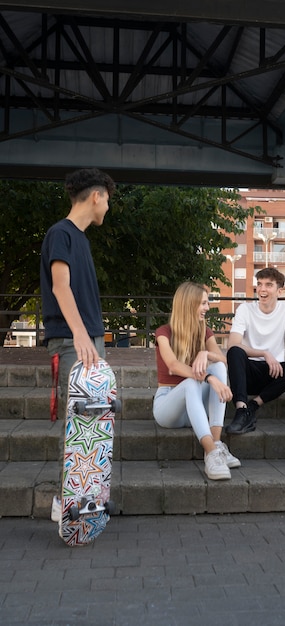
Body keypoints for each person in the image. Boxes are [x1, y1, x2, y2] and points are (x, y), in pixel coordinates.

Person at [40, 167, 116, 520]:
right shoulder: (61, 233)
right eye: (108, 200)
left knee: (94, 424)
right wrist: (82, 334)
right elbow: (60, 286)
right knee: (77, 425)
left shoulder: (81, 239)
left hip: (87, 339)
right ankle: (63, 503)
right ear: (96, 196)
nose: (108, 208)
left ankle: (86, 499)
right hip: (74, 341)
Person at [153, 281, 240, 480]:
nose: (207, 308)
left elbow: (223, 360)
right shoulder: (163, 333)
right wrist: (209, 378)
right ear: (189, 304)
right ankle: (210, 452)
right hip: (168, 407)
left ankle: (216, 446)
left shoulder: (204, 331)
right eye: (203, 303)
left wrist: (206, 354)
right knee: (192, 381)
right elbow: (173, 365)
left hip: (194, 408)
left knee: (217, 366)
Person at [225, 267, 285, 435]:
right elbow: (233, 344)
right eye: (259, 284)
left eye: (268, 285)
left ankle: (254, 405)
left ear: (279, 291)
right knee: (235, 352)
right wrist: (265, 353)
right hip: (249, 372)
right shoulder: (245, 309)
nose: (262, 289)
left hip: (274, 374)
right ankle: (241, 409)